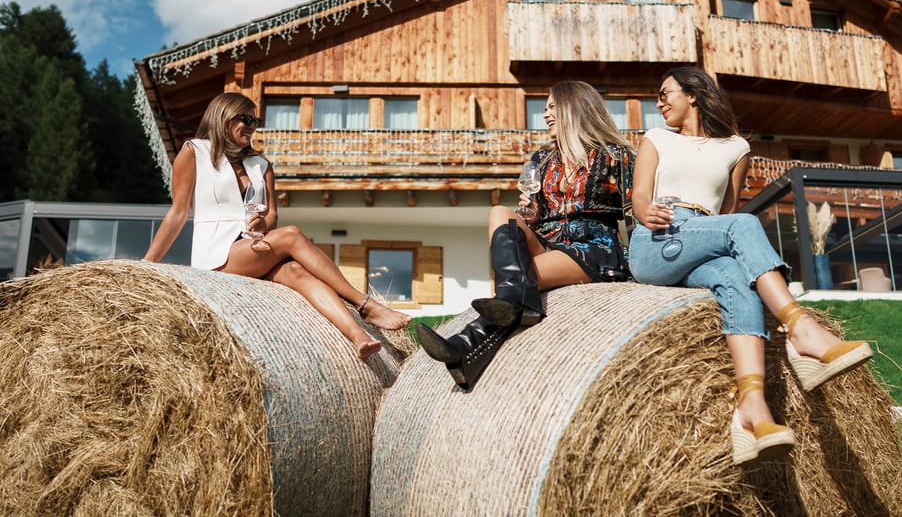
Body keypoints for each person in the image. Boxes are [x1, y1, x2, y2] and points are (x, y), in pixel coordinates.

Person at [628, 67, 872, 465]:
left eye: (664, 93)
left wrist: (718, 236)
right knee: (742, 226)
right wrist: (646, 212)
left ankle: (752, 407)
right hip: (658, 240)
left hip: (704, 237)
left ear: (693, 94)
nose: (659, 103)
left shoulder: (736, 148)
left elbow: (726, 210)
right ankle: (800, 328)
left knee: (734, 278)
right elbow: (639, 194)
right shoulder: (656, 139)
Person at [144, 92, 410, 359]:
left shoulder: (260, 165)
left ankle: (359, 336)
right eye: (245, 118)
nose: (252, 126)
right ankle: (365, 304)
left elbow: (272, 215)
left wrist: (262, 222)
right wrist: (146, 267)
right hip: (218, 255)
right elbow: (178, 213)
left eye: (256, 121)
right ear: (223, 116)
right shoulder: (195, 152)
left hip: (254, 247)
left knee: (296, 271)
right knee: (292, 235)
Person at [416, 81, 635, 390]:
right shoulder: (541, 161)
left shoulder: (617, 157)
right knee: (498, 212)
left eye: (552, 106)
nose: (545, 113)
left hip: (591, 246)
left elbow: (633, 212)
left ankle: (465, 347)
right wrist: (531, 214)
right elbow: (535, 214)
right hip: (547, 239)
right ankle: (516, 306)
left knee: (520, 280)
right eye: (544, 107)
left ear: (574, 108)